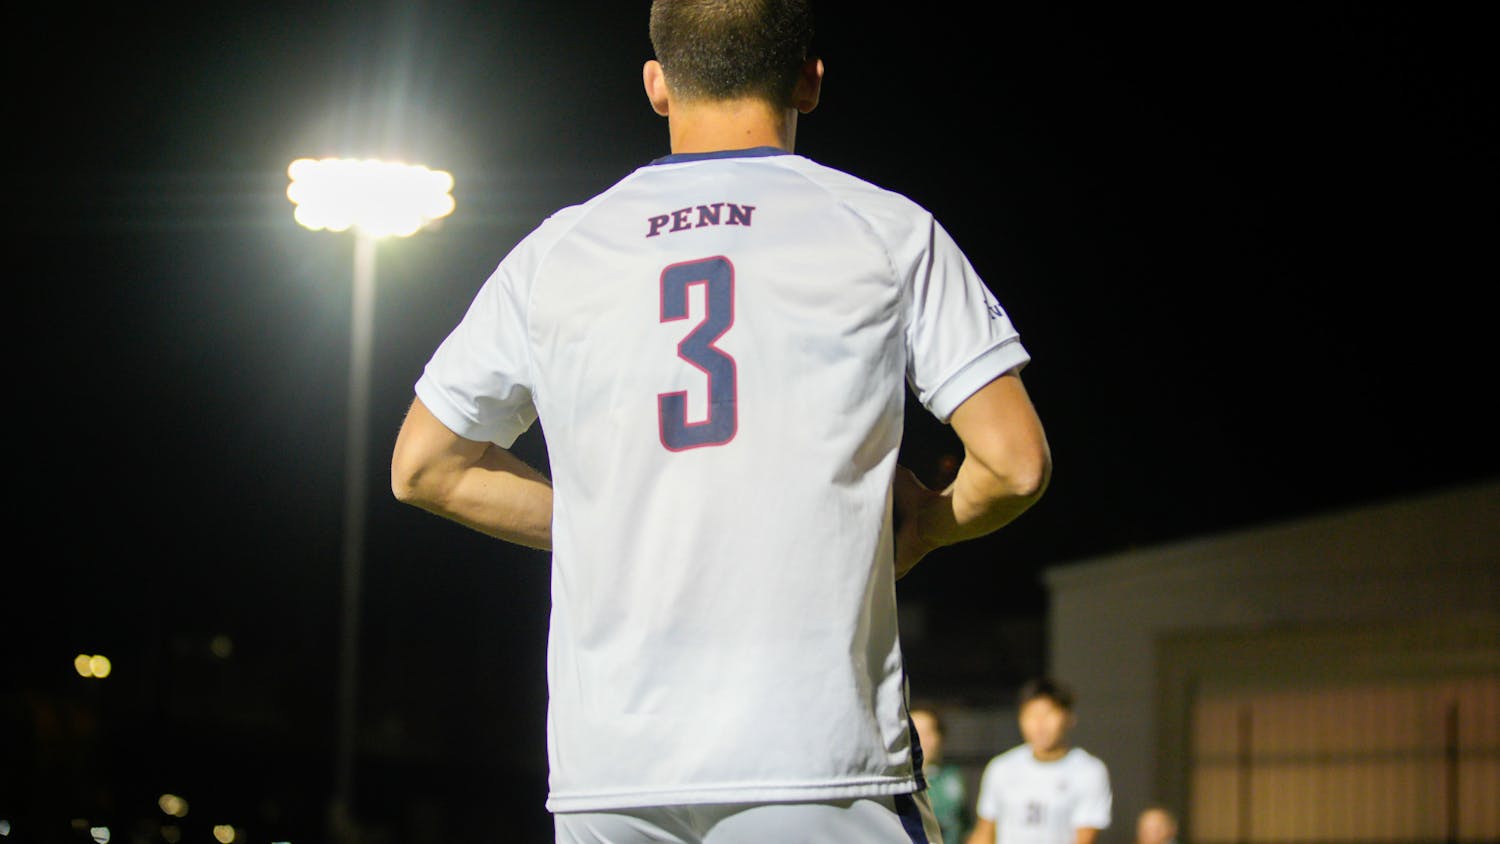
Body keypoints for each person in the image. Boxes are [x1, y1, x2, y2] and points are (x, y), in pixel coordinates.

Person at [389, 1, 1051, 841]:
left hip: (611, 775)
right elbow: (1015, 463)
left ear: (657, 86)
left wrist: (616, 527)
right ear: (810, 80)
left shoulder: (558, 250)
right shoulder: (884, 229)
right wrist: (923, 527)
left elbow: (424, 466)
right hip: (816, 757)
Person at [967, 679, 1111, 844]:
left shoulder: (1089, 771)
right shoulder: (1001, 767)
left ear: (1069, 717)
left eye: (1048, 714)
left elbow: (1085, 837)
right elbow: (984, 832)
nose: (1039, 724)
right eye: (1031, 715)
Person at [912, 706, 976, 844]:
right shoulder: (893, 784)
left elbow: (966, 827)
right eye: (915, 733)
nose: (922, 740)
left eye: (928, 733)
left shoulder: (953, 776)